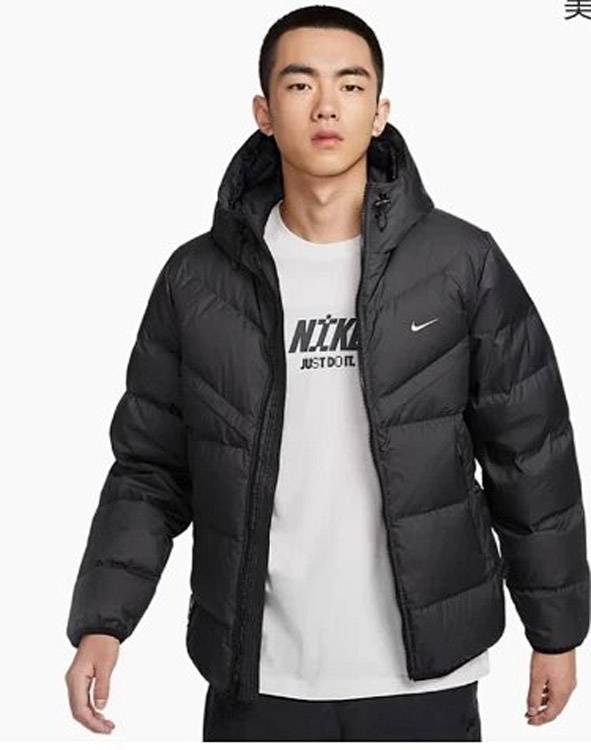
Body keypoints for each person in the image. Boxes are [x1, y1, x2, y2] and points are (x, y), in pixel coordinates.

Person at [64, 4, 590, 742]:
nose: (325, 106)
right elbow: (151, 466)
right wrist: (103, 621)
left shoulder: (460, 264)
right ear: (264, 112)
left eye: (349, 85)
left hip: (424, 673)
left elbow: (528, 452)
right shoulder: (197, 281)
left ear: (379, 112)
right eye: (299, 84)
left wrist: (556, 630)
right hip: (256, 672)